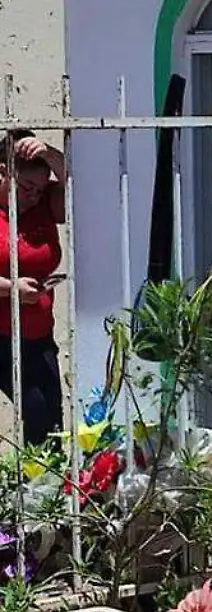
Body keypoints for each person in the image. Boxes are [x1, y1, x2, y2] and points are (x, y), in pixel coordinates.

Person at [0, 129, 67, 449]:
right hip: (1, 336)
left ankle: (43, 493)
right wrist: (12, 289)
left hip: (37, 335)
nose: (33, 196)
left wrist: (50, 154)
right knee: (38, 410)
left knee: (49, 419)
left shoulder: (43, 205)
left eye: (40, 189)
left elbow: (76, 183)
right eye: (26, 187)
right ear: (3, 173)